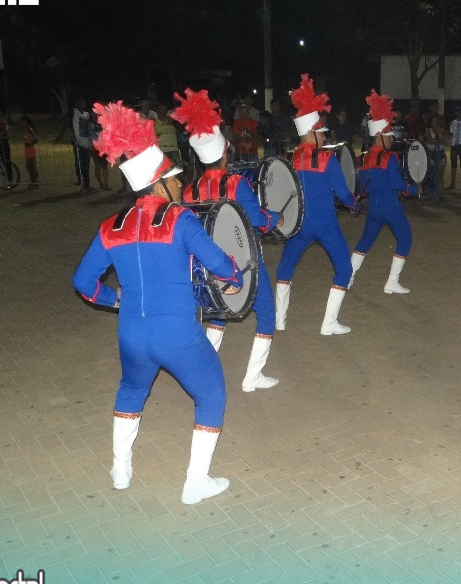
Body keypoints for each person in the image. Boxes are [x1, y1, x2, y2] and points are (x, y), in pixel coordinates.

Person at [72, 102, 243, 506]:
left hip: (132, 333)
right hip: (177, 334)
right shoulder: (180, 219)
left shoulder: (110, 226)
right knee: (212, 395)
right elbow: (220, 263)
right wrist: (235, 278)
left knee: (131, 391)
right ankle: (195, 483)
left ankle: (120, 474)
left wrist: (115, 299)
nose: (180, 185)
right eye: (174, 179)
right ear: (159, 184)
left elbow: (82, 282)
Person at [172, 88, 282, 391]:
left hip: (205, 264)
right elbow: (258, 221)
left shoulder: (189, 190)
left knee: (218, 312)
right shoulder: (236, 183)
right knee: (266, 313)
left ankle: (201, 372)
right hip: (243, 259)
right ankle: (252, 377)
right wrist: (275, 218)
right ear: (224, 152)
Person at [275, 74, 360, 336]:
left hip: (298, 225)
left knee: (285, 267)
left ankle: (279, 320)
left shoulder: (288, 160)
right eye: (321, 133)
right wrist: (354, 205)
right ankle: (329, 323)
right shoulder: (327, 159)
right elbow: (344, 194)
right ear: (311, 133)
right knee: (344, 268)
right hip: (326, 225)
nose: (324, 138)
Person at [349, 90, 421, 294]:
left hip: (373, 208)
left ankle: (348, 278)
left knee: (365, 241)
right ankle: (392, 282)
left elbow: (362, 187)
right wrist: (414, 189)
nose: (392, 140)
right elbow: (399, 185)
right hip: (391, 207)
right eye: (389, 137)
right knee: (405, 239)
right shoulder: (390, 158)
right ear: (380, 136)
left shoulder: (363, 158)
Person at [423, 113, 447, 203]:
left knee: (440, 176)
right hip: (431, 155)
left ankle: (441, 194)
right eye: (434, 121)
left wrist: (439, 131)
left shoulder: (442, 130)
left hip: (441, 155)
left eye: (437, 121)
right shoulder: (427, 130)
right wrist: (438, 141)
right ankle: (429, 193)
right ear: (430, 122)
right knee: (429, 175)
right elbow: (428, 139)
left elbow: (442, 139)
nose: (436, 122)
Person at [72, 98, 93, 191]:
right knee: (79, 163)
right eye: (80, 103)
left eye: (83, 103)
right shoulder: (73, 112)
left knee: (86, 165)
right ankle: (82, 182)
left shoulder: (87, 114)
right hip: (78, 142)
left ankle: (86, 184)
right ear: (76, 104)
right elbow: (67, 123)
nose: (82, 105)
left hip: (87, 142)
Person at [22, 116, 39, 187]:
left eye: (23, 121)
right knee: (29, 166)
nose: (22, 123)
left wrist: (30, 144)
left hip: (30, 150)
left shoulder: (29, 129)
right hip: (27, 150)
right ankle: (34, 182)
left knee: (31, 167)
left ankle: (34, 183)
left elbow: (36, 138)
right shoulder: (26, 129)